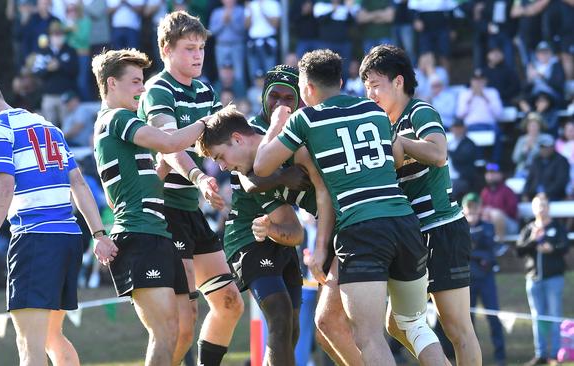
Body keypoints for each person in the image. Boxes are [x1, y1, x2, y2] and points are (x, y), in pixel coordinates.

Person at [254, 49, 445, 365]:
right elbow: (396, 158)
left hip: (362, 230)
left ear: (307, 88)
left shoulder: (305, 118)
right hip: (404, 222)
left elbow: (261, 166)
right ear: (340, 81)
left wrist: (276, 122)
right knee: (413, 326)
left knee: (369, 336)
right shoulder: (373, 109)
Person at [0, 77, 117, 366]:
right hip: (69, 237)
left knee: (28, 345)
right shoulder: (48, 126)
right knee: (52, 337)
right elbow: (78, 183)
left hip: (35, 238)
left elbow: (3, 187)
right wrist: (99, 233)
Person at [360, 44, 481, 365]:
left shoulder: (420, 111)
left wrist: (400, 144)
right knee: (396, 323)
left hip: (441, 228)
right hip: (410, 236)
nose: (369, 92)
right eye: (366, 86)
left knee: (458, 329)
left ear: (398, 82)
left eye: (375, 84)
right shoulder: (384, 124)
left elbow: (439, 153)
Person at [91, 48, 213, 365]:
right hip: (138, 235)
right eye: (134, 81)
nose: (142, 89)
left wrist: (164, 168)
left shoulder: (125, 124)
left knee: (181, 330)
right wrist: (207, 121)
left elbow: (148, 179)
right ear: (111, 84)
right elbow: (171, 142)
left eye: (142, 81)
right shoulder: (116, 118)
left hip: (157, 233)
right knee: (165, 331)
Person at [137, 11, 244, 366]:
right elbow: (170, 145)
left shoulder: (204, 89)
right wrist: (200, 178)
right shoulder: (158, 89)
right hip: (164, 212)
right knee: (183, 324)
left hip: (190, 210)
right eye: (188, 48)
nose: (198, 55)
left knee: (230, 302)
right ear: (166, 50)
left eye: (201, 47)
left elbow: (226, 140)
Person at [196, 104, 328, 365]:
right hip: (246, 239)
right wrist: (281, 180)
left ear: (237, 139)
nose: (222, 168)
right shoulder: (249, 171)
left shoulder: (275, 143)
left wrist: (273, 229)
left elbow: (295, 232)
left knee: (291, 330)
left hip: (277, 238)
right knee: (279, 315)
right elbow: (252, 183)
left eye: (221, 157)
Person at [516, 193, 569, 366]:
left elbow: (565, 246)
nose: (541, 208)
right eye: (538, 205)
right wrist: (532, 240)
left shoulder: (557, 227)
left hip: (554, 279)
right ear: (533, 208)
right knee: (537, 317)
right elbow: (519, 250)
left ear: (549, 207)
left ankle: (554, 354)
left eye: (544, 205)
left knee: (554, 316)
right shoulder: (528, 228)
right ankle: (540, 354)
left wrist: (551, 248)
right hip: (533, 279)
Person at [462, 193, 506, 366]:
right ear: (464, 208)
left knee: (494, 318)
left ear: (480, 208)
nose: (472, 210)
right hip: (466, 281)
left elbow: (490, 253)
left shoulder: (488, 226)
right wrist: (477, 254)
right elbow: (462, 252)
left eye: (475, 207)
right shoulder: (459, 227)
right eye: (469, 207)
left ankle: (500, 356)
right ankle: (473, 357)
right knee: (468, 322)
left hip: (486, 279)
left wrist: (475, 253)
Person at [522, 135, 570, 202]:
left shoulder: (561, 160)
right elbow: (529, 179)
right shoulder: (536, 160)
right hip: (534, 195)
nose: (544, 149)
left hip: (554, 196)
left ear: (553, 147)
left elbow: (561, 182)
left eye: (547, 147)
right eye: (542, 147)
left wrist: (546, 193)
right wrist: (525, 194)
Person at [480, 163, 519, 241]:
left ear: (500, 175)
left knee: (496, 214)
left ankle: (500, 246)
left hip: (510, 225)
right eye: (488, 173)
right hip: (491, 223)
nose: (490, 176)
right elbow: (480, 209)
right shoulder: (484, 192)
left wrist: (492, 211)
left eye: (493, 173)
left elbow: (513, 211)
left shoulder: (507, 190)